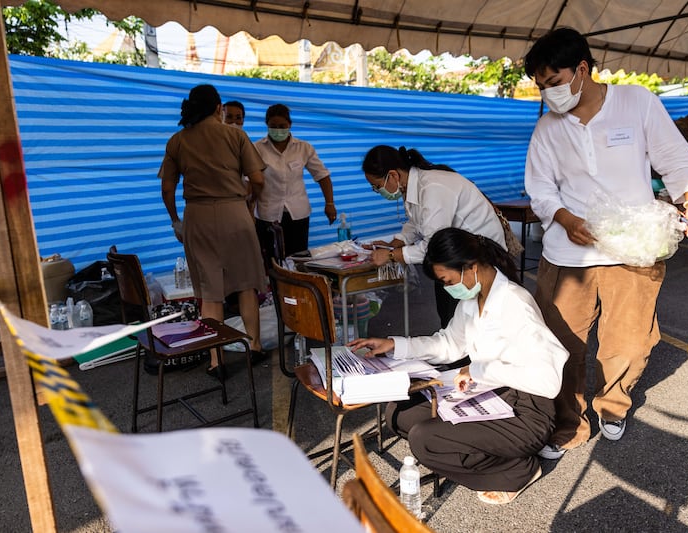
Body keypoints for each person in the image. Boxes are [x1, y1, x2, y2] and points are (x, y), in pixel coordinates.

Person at [523, 28, 688, 458]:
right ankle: (568, 421)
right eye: (542, 86)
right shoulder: (549, 127)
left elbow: (675, 159)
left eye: (553, 82)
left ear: (582, 69)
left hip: (633, 247)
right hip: (568, 254)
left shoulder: (636, 101)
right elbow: (540, 187)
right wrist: (565, 218)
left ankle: (614, 405)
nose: (548, 94)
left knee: (628, 340)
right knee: (561, 340)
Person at [348, 227, 568, 505]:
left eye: (447, 280)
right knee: (398, 414)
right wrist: (394, 344)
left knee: (424, 439)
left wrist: (477, 371)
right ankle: (483, 453)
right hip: (491, 394)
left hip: (526, 413)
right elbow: (449, 344)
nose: (446, 287)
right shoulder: (473, 298)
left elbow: (548, 381)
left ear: (471, 268)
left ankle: (516, 470)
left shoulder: (515, 303)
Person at [159, 84, 267, 376]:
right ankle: (254, 346)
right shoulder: (236, 135)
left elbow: (167, 188)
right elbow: (257, 179)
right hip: (235, 213)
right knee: (246, 284)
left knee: (210, 292)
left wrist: (175, 220)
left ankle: (216, 360)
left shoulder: (177, 141)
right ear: (219, 109)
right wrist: (249, 204)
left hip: (198, 215)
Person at [361, 145, 508, 328]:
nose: (378, 191)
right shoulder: (414, 186)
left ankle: (462, 354)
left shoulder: (432, 188)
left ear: (393, 175)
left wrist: (392, 256)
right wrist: (394, 245)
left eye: (377, 186)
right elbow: (416, 223)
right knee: (451, 320)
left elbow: (432, 247)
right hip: (457, 256)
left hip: (481, 257)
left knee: (467, 322)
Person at [253, 103, 337, 263]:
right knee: (270, 260)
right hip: (267, 214)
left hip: (297, 214)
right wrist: (249, 210)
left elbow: (322, 176)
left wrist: (330, 203)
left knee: (297, 258)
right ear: (267, 125)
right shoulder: (257, 148)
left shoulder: (303, 148)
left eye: (282, 126)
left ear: (290, 125)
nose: (278, 130)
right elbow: (251, 182)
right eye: (273, 126)